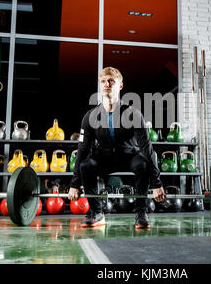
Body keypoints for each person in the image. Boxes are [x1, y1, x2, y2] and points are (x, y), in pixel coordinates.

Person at [68, 67, 166, 229]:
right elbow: (83, 149)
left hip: (129, 156)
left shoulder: (134, 114)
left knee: (144, 163)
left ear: (120, 86)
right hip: (105, 157)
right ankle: (96, 212)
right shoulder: (90, 116)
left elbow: (146, 148)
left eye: (111, 81)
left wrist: (156, 183)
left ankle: (141, 212)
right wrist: (74, 183)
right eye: (103, 81)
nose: (107, 84)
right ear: (100, 85)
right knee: (86, 165)